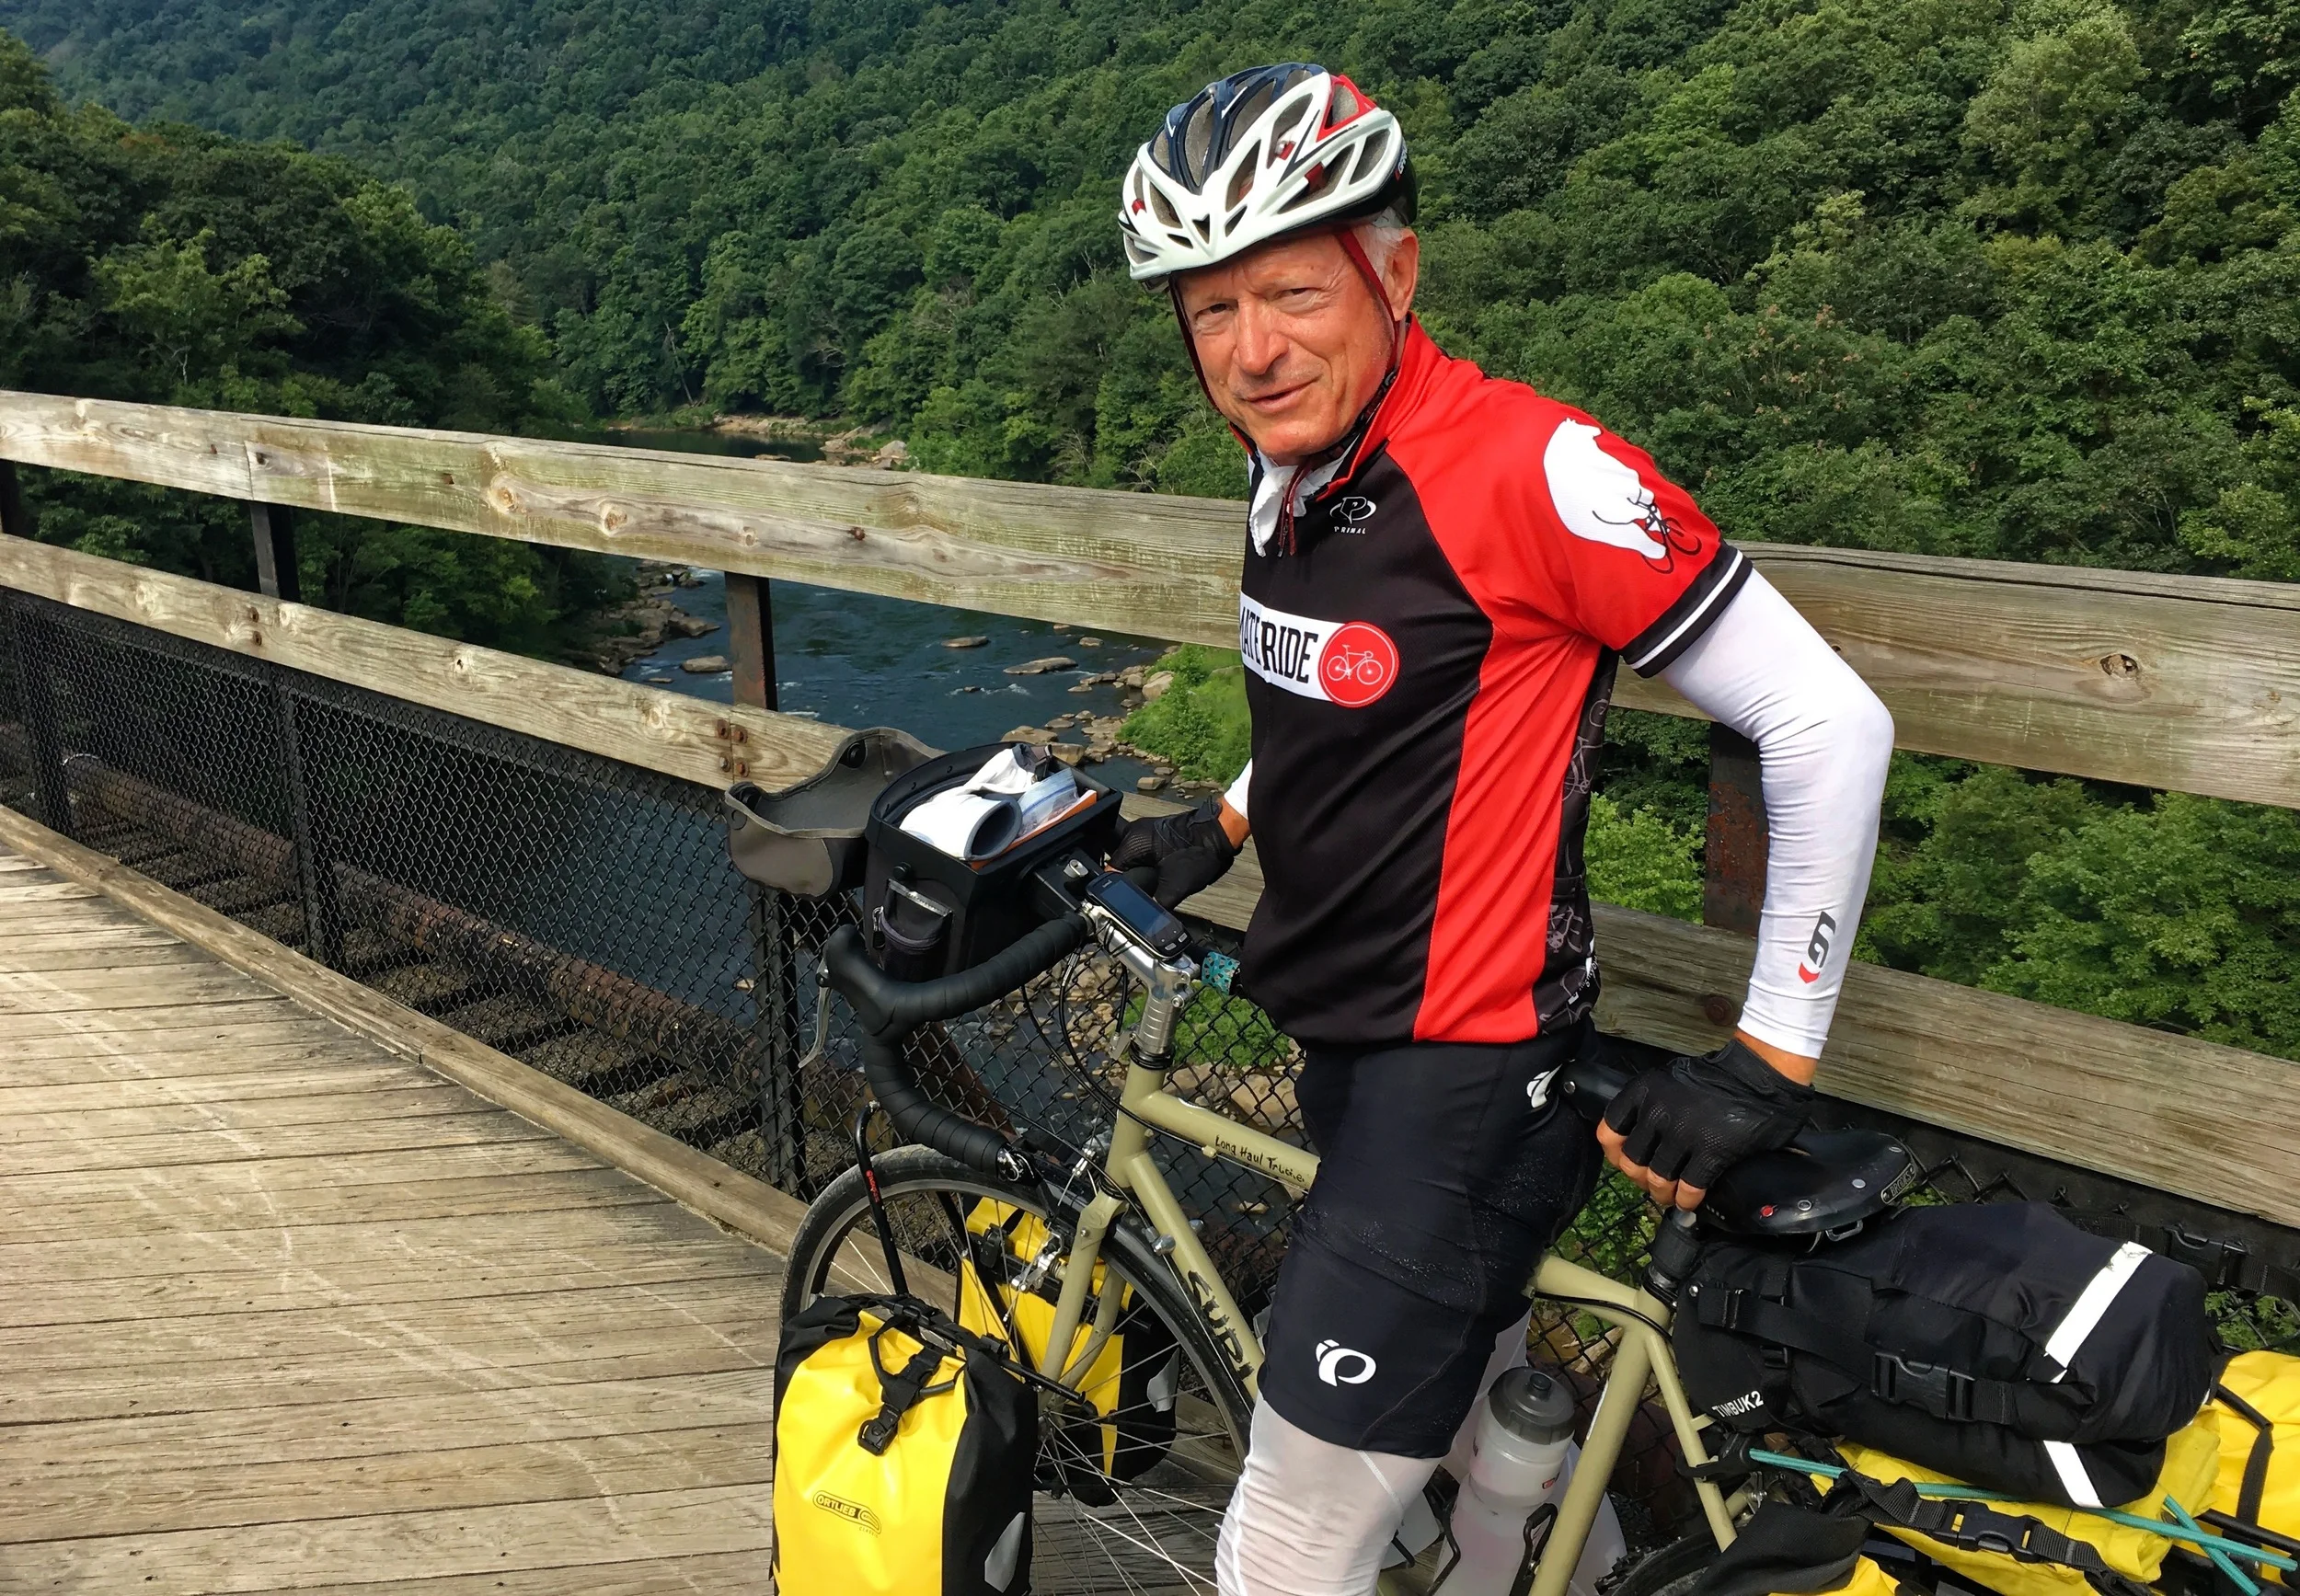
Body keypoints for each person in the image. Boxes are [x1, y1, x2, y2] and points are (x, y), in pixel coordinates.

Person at [1107, 63, 1895, 1596]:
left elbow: (1827, 720)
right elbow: (1358, 700)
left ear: (1393, 271)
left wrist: (1771, 1055)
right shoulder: (1293, 472)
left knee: (1278, 1554)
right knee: (1477, 1450)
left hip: (1463, 1072)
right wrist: (1220, 820)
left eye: (1291, 293)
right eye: (1210, 309)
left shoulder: (1534, 468)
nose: (1254, 350)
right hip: (1350, 1039)